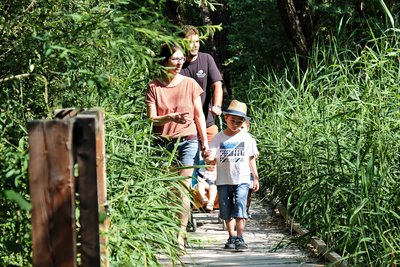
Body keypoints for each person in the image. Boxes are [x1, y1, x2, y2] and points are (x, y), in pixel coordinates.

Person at [146, 43, 209, 250]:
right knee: (170, 190)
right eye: (176, 59)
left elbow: (199, 115)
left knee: (182, 188)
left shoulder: (190, 84)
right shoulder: (154, 87)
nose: (181, 63)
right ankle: (170, 227)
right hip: (163, 143)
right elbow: (152, 119)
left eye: (182, 59)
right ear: (164, 62)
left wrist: (205, 143)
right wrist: (170, 117)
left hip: (188, 141)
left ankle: (179, 237)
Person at [204, 100, 260, 251]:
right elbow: (212, 157)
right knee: (226, 209)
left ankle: (240, 237)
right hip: (223, 179)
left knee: (241, 208)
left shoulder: (247, 138)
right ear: (226, 117)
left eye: (239, 121)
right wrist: (207, 156)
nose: (235, 124)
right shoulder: (218, 137)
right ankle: (231, 236)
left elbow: (251, 158)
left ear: (244, 122)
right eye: (233, 120)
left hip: (242, 178)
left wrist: (255, 177)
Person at [180, 25, 224, 142]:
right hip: (185, 127)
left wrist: (217, 106)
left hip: (207, 122)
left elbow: (217, 85)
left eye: (197, 41)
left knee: (212, 159)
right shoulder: (176, 63)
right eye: (190, 42)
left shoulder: (206, 59)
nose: (195, 46)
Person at [240, 119, 259, 218]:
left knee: (247, 194)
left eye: (242, 127)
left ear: (248, 128)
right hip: (236, 172)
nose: (240, 129)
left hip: (248, 171)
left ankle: (246, 210)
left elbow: (255, 153)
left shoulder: (250, 140)